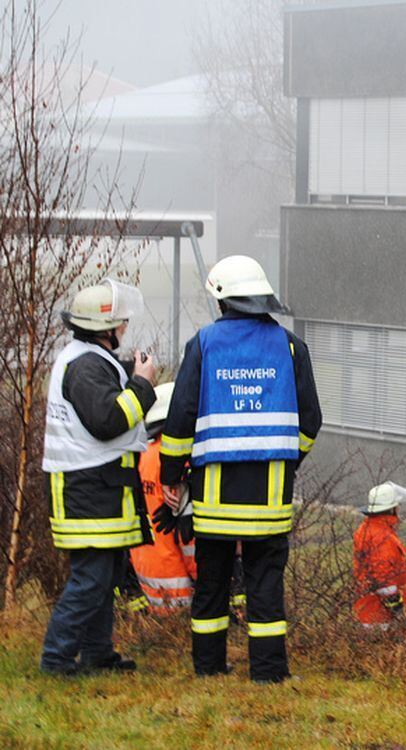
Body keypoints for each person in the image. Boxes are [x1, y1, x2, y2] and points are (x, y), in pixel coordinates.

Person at [158, 255, 321, 683]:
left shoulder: (204, 344)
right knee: (265, 585)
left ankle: (209, 667)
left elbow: (180, 418)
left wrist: (171, 475)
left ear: (221, 299)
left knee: (211, 583)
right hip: (269, 499)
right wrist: (289, 459)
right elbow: (310, 422)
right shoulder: (289, 346)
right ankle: (268, 674)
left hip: (213, 500)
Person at [40, 280, 157, 676]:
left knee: (103, 578)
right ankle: (56, 659)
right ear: (103, 328)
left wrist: (131, 373)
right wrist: (141, 383)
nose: (124, 328)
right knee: (90, 581)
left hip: (95, 488)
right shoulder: (86, 366)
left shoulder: (88, 359)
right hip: (86, 490)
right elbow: (108, 421)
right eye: (119, 324)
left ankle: (97, 654)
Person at [130, 382, 197, 613]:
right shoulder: (177, 462)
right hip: (183, 594)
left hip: (150, 586)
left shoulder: (142, 457)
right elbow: (190, 541)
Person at [353, 481, 406, 629]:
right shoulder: (382, 536)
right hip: (380, 617)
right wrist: (398, 610)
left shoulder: (366, 529)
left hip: (367, 609)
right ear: (391, 509)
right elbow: (383, 580)